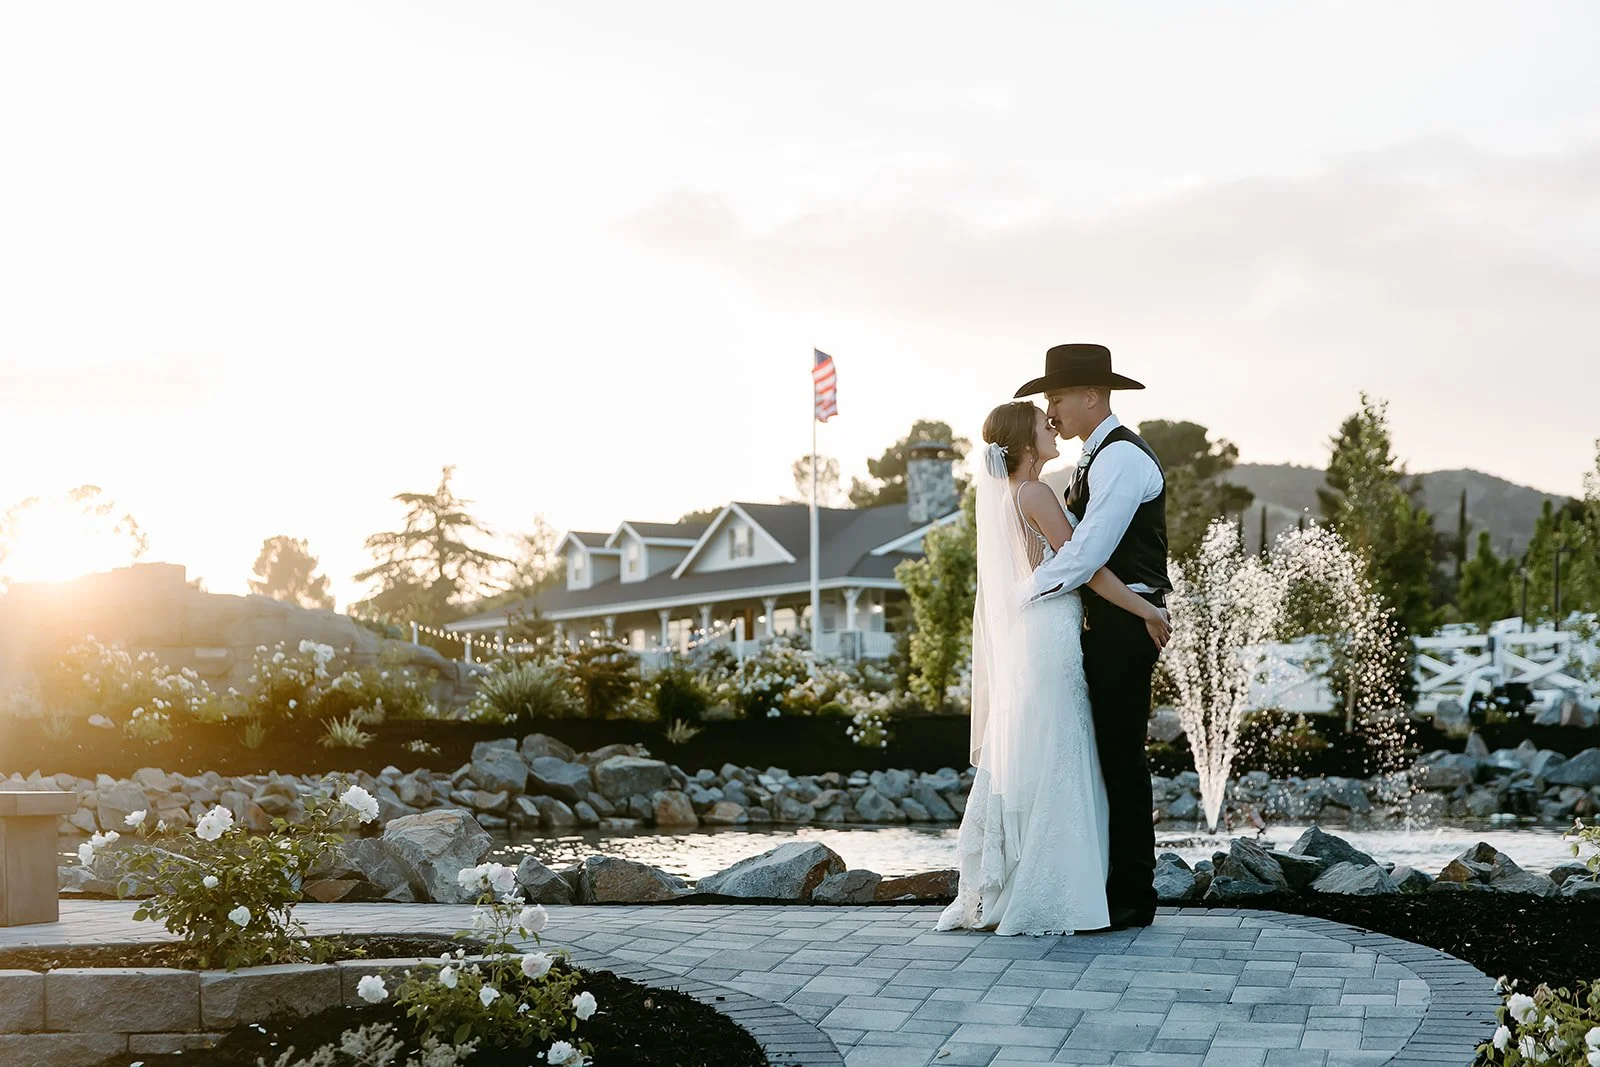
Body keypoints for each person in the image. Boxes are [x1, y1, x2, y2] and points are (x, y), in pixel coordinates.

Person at [936, 395, 1169, 936]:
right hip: (1052, 628)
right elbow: (1086, 566)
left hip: (1043, 627)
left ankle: (1034, 874)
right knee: (1064, 747)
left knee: (1046, 749)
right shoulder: (1036, 492)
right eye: (1044, 421)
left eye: (1054, 409)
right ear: (1024, 441)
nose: (1053, 423)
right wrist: (1147, 608)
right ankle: (1064, 883)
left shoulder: (1013, 497)